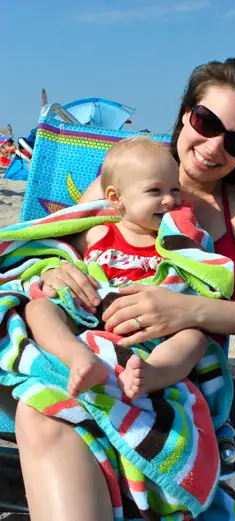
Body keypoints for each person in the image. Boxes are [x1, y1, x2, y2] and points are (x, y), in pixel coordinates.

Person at [7, 58, 235, 521]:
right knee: (43, 405)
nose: (212, 146)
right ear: (186, 113)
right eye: (206, 122)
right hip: (87, 342)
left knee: (44, 411)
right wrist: (54, 270)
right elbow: (63, 242)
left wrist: (188, 309)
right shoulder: (127, 178)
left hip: (167, 369)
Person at [24, 138, 208, 399]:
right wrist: (51, 269)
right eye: (155, 191)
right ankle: (78, 358)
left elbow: (203, 277)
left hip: (151, 331)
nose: (169, 200)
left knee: (194, 339)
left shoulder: (176, 241)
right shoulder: (97, 234)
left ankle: (152, 373)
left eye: (175, 190)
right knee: (39, 308)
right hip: (90, 317)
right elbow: (53, 250)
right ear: (116, 198)